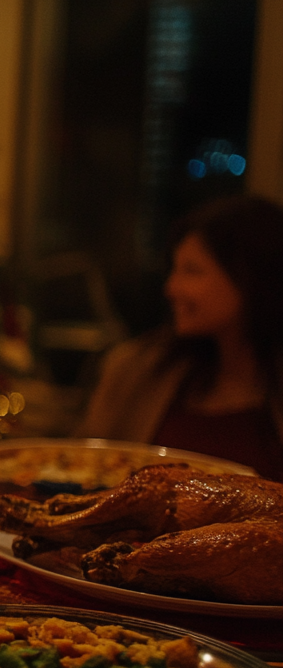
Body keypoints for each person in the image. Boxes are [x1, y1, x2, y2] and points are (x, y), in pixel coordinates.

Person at [75, 194, 283, 479]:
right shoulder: (137, 371)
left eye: (192, 271)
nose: (172, 288)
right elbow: (79, 472)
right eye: (175, 269)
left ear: (252, 279)